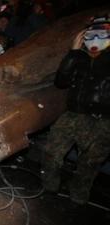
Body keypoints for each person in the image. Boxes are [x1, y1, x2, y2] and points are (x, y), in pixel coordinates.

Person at [41, 16, 110, 205]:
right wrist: (72, 53)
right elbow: (61, 81)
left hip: (103, 121)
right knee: (51, 152)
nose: (96, 37)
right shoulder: (78, 56)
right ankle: (50, 187)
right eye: (91, 32)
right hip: (73, 114)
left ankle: (78, 196)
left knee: (89, 164)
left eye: (102, 32)